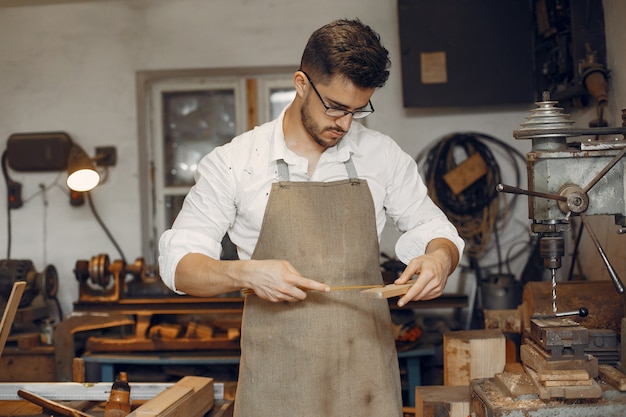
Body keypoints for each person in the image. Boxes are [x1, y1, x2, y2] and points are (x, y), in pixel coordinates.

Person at [159, 18, 464, 417]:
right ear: (301, 83)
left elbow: (433, 229)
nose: (345, 124)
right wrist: (245, 273)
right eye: (335, 107)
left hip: (366, 377)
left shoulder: (381, 155)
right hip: (278, 380)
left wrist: (439, 259)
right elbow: (179, 265)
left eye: (358, 110)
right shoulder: (236, 162)